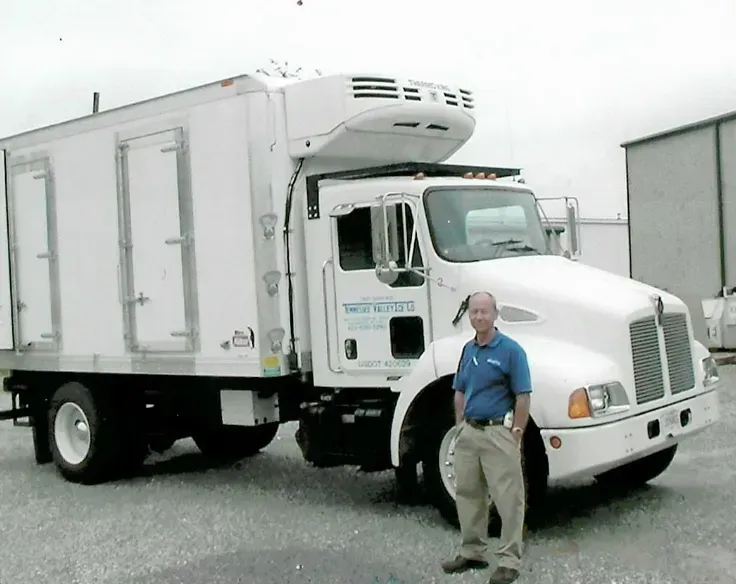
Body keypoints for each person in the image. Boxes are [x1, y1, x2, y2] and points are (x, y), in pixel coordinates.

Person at [440, 291, 532, 584]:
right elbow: (460, 390)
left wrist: (516, 432)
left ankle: (509, 561)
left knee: (508, 500)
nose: (478, 316)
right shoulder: (468, 350)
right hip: (469, 432)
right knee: (468, 495)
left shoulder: (511, 351)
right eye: (474, 311)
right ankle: (473, 552)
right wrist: (459, 427)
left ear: (495, 314)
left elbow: (523, 396)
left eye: (484, 311)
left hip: (498, 433)